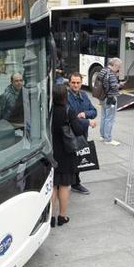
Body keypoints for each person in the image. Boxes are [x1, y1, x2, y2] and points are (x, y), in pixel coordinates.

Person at [51, 84, 82, 227]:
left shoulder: (47, 111)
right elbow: (78, 129)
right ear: (65, 96)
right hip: (66, 153)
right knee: (64, 185)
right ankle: (62, 216)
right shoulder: (68, 111)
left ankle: (50, 216)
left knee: (52, 186)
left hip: (50, 152)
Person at [66, 72, 96, 195]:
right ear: (69, 83)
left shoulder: (84, 95)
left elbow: (94, 111)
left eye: (78, 82)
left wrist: (85, 114)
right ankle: (74, 182)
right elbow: (71, 116)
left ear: (81, 83)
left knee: (80, 158)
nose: (75, 85)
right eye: (73, 82)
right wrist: (88, 121)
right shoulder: (66, 97)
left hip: (82, 133)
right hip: (71, 133)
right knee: (72, 158)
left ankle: (75, 182)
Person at [98, 58, 125, 146]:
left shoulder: (103, 70)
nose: (119, 69)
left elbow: (104, 83)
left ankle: (102, 136)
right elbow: (114, 87)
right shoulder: (111, 74)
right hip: (110, 98)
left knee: (103, 116)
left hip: (102, 97)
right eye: (119, 67)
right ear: (115, 65)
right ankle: (108, 139)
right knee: (110, 118)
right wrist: (120, 84)